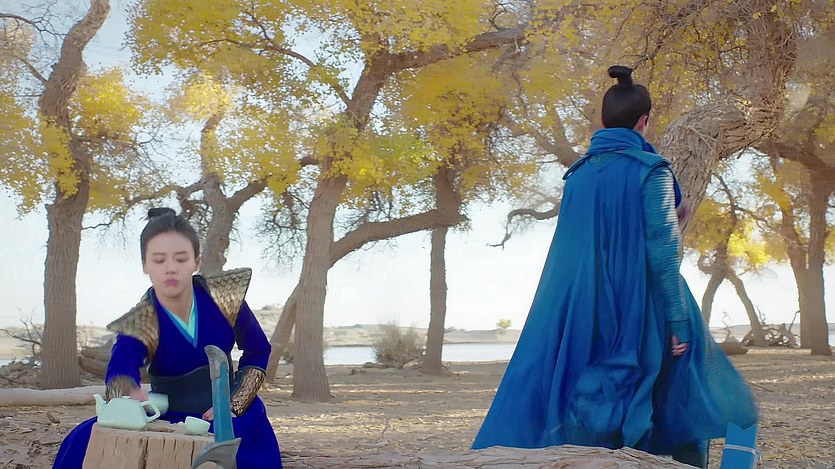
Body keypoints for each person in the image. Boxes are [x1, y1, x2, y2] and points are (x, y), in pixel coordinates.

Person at [471, 66, 757, 468]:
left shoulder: (576, 176)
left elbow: (585, 241)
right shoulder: (651, 171)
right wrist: (677, 319)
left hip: (579, 307)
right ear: (643, 121)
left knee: (588, 400)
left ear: (602, 121)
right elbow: (661, 250)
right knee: (685, 396)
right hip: (641, 304)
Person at [54, 208, 282, 468]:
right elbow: (122, 366)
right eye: (159, 260)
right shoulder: (144, 318)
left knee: (242, 451)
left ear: (196, 261)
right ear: (145, 265)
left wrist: (233, 403)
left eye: (181, 259)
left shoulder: (226, 299)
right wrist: (130, 393)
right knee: (81, 441)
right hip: (168, 414)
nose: (171, 269)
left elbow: (258, 351)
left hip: (226, 412)